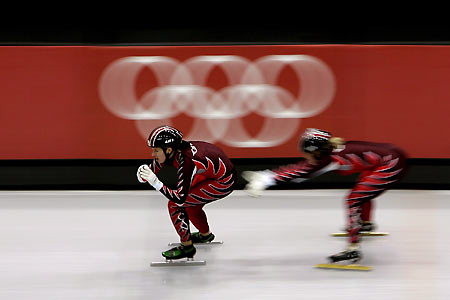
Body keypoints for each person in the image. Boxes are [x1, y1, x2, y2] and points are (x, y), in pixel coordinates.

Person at [242, 128, 408, 264]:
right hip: (390, 157)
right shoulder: (330, 151)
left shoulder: (330, 159)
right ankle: (364, 224)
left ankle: (353, 250)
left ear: (314, 151)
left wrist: (267, 178)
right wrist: (268, 176)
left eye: (306, 152)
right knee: (362, 191)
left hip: (391, 164)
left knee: (354, 198)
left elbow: (301, 173)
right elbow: (304, 167)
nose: (305, 156)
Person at [137, 125, 236, 260]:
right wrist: (146, 172)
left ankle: (187, 247)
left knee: (175, 205)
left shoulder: (187, 162)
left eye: (156, 150)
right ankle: (205, 235)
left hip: (223, 181)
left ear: (169, 149)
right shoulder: (175, 151)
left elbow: (179, 199)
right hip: (211, 174)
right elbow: (159, 163)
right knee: (191, 205)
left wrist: (155, 182)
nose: (153, 154)